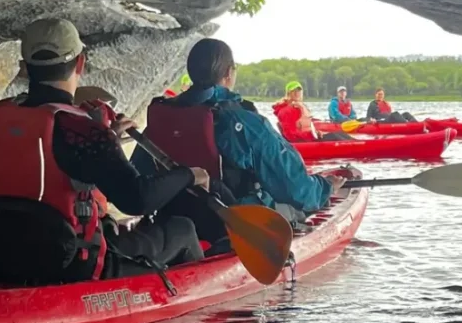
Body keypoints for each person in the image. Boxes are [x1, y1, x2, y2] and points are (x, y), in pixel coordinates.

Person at [0, 17, 211, 286]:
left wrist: (109, 140)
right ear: (80, 63)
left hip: (1, 260)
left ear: (24, 69)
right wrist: (190, 175)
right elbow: (138, 200)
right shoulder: (81, 130)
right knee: (183, 229)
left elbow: (49, 163)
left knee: (109, 226)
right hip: (72, 268)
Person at [138, 39, 350, 223]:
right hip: (233, 220)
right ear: (229, 73)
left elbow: (139, 177)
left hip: (175, 213)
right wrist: (326, 186)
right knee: (300, 207)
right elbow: (296, 190)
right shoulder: (243, 120)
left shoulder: (162, 116)